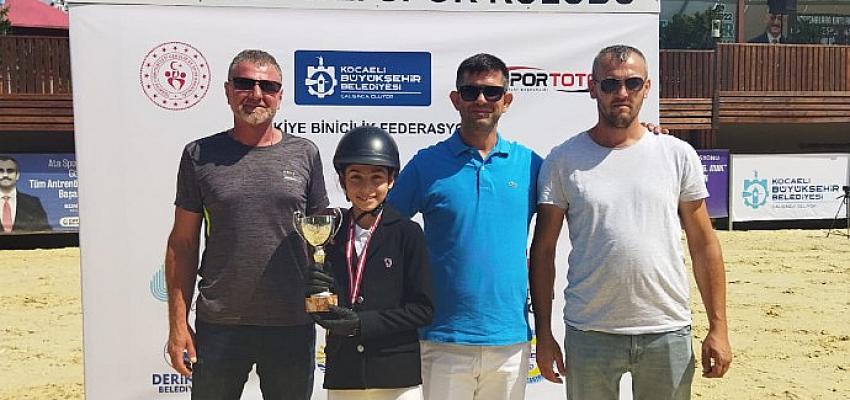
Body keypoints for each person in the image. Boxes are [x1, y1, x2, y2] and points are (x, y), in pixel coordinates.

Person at [530, 45, 732, 400]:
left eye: (632, 83)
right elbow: (543, 251)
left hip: (666, 328)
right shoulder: (563, 160)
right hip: (590, 331)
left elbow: (704, 245)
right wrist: (544, 335)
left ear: (647, 87)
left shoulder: (676, 154)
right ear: (592, 88)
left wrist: (719, 327)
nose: (622, 93)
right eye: (610, 84)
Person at [164, 49, 328, 400]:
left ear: (280, 96)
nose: (256, 94)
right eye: (245, 84)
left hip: (291, 323)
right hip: (220, 323)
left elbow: (321, 241)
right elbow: (183, 244)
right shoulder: (199, 155)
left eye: (268, 86)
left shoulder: (305, 154)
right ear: (228, 91)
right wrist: (178, 325)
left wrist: (327, 306)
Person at [387, 53, 541, 400]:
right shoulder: (426, 164)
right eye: (471, 92)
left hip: (510, 339)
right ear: (456, 99)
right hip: (443, 337)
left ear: (507, 100)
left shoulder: (531, 165)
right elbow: (384, 231)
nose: (481, 100)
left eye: (492, 92)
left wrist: (650, 135)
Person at [306, 125, 433, 400]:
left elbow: (423, 310)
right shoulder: (330, 233)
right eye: (356, 178)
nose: (366, 189)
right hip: (345, 374)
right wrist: (313, 296)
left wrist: (362, 324)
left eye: (377, 178)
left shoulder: (407, 233)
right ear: (342, 181)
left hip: (396, 377)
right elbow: (323, 309)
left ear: (391, 180)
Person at [0, 155, 50, 233]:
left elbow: (45, 232)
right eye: (0, 171)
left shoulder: (33, 203)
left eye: (10, 171)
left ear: (17, 175)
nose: (5, 175)